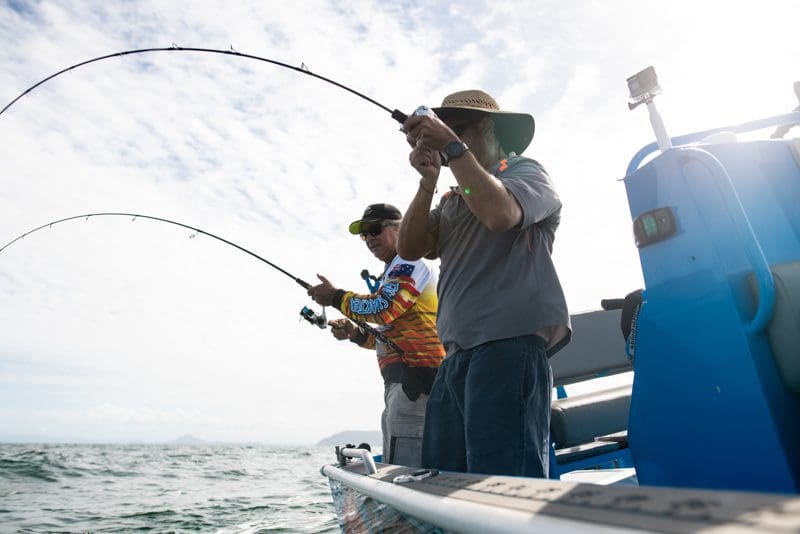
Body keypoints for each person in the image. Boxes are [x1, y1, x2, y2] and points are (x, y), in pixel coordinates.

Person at [397, 89, 571, 478]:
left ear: (488, 127)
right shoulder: (454, 197)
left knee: (505, 484)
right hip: (456, 354)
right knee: (445, 482)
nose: (445, 138)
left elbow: (501, 214)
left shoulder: (527, 172)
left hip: (509, 345)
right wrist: (428, 183)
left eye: (457, 128)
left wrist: (453, 149)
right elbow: (410, 249)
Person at [307, 203, 445, 467]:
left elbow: (384, 309)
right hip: (400, 385)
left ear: (400, 227)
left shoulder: (409, 262)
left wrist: (336, 296)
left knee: (408, 475)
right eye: (364, 235)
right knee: (398, 463)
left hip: (417, 384)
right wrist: (355, 333)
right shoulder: (393, 271)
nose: (369, 239)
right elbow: (386, 334)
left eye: (374, 230)